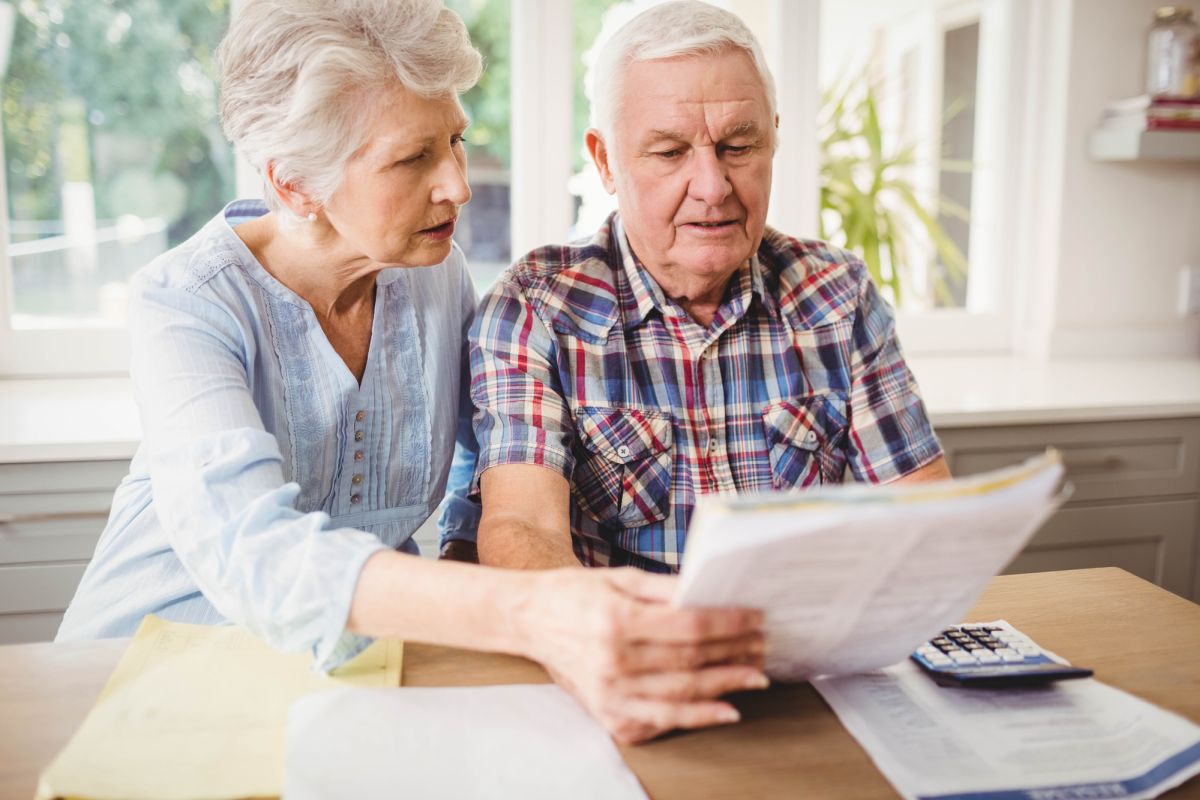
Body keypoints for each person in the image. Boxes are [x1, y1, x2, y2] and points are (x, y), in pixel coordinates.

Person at [56, 0, 767, 744]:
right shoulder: (186, 305)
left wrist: (486, 578)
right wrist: (531, 611)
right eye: (412, 158)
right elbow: (252, 553)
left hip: (344, 686)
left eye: (454, 140)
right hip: (140, 680)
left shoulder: (433, 274)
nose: (457, 184)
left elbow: (482, 466)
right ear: (297, 184)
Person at [469, 0, 952, 574]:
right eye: (671, 152)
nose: (713, 186)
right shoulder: (536, 309)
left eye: (738, 147)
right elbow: (522, 530)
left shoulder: (836, 294)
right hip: (634, 648)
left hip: (807, 646)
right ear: (605, 161)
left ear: (773, 140)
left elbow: (924, 515)